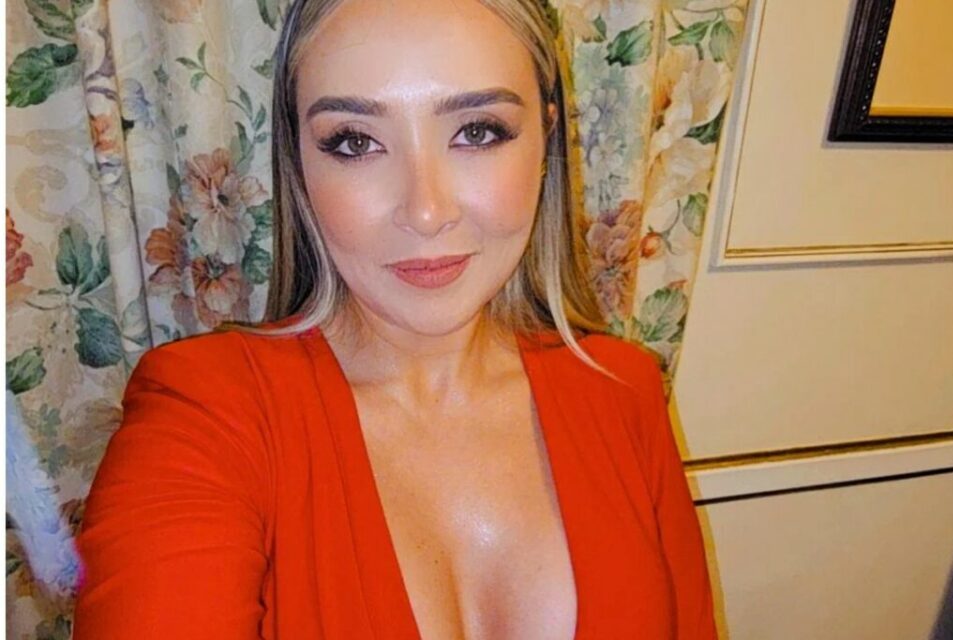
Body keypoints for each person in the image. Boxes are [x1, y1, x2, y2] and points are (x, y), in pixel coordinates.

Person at [73, 0, 718, 637]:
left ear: (547, 137)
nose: (427, 211)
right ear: (299, 164)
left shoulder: (622, 392)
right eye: (356, 142)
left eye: (478, 131)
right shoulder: (205, 414)